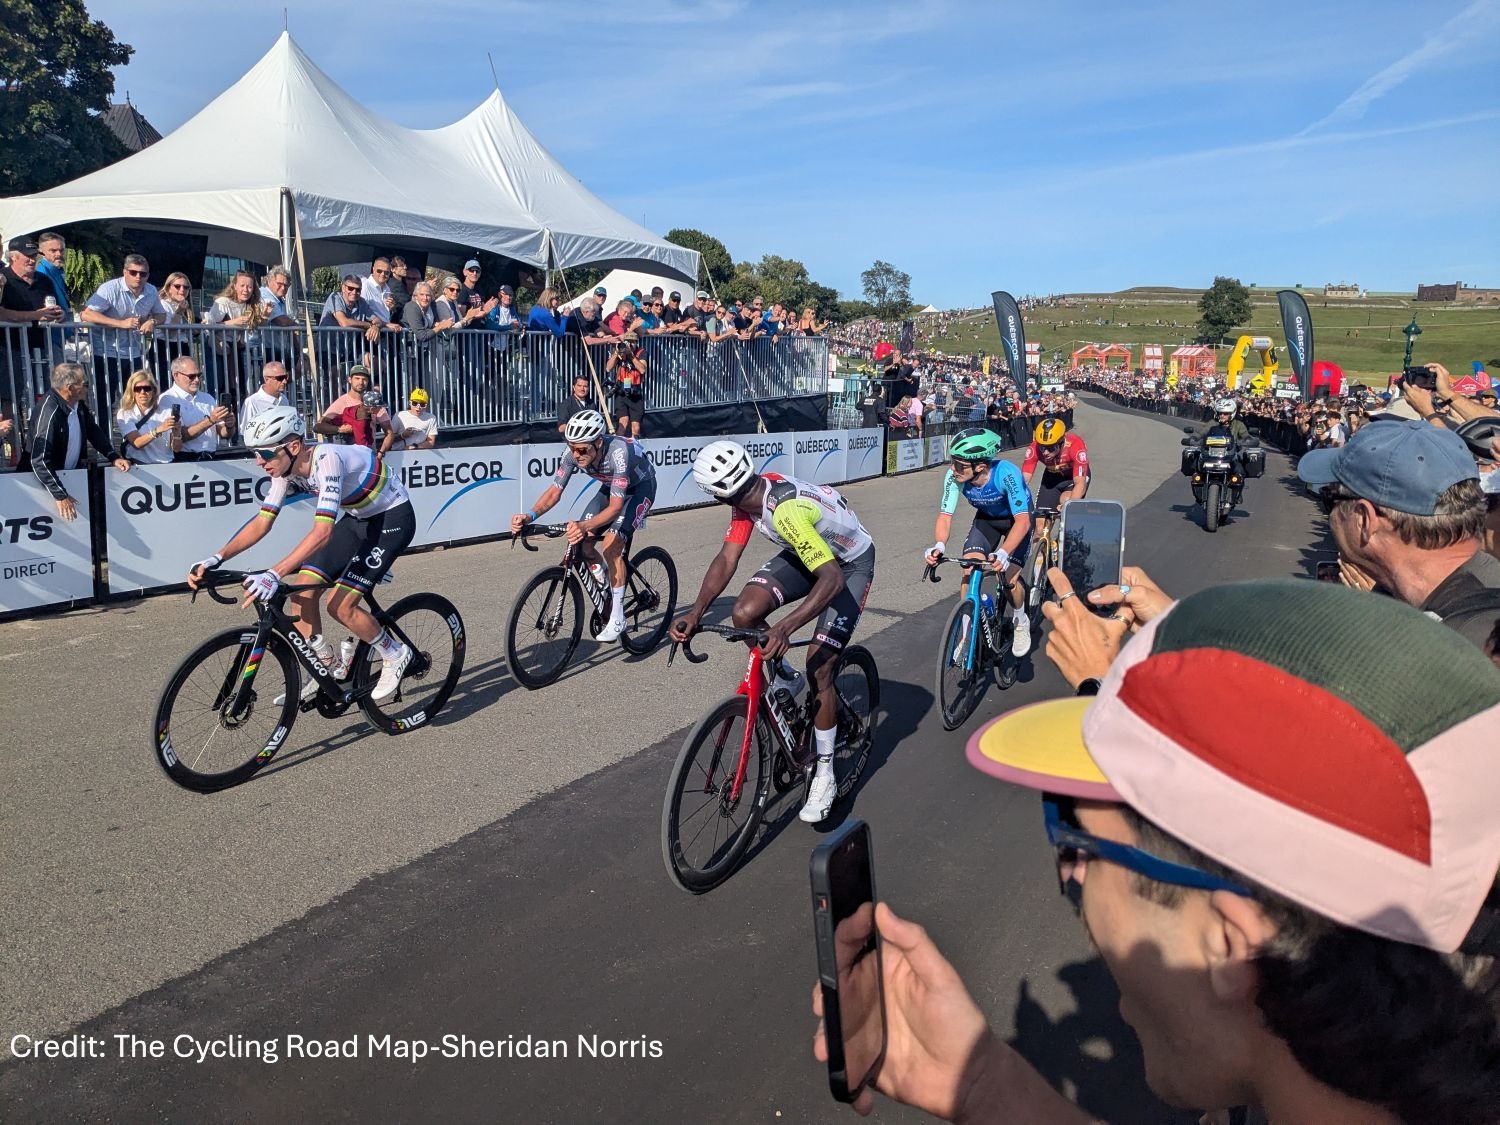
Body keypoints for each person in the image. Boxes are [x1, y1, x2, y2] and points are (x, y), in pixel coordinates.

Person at [671, 440, 876, 824]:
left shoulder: (785, 514)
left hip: (848, 566)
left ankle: (826, 772)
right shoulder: (748, 496)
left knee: (820, 667)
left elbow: (830, 579)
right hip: (809, 549)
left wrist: (784, 627)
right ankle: (787, 679)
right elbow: (727, 558)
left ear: (714, 494)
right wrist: (696, 613)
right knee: (745, 614)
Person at [188, 406, 415, 702]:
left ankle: (394, 653)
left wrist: (274, 573)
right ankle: (324, 668)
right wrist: (215, 559)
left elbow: (322, 532)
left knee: (340, 606)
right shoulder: (285, 471)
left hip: (391, 518)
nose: (260, 462)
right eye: (256, 454)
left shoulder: (327, 460)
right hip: (358, 519)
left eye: (266, 454)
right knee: (301, 596)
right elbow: (262, 523)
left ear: (293, 446)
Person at [1298, 418, 1500, 649]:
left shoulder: (1453, 647)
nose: (1330, 516)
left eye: (1329, 500)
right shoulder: (1469, 598)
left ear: (1365, 520)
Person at [510, 409, 656, 643]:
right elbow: (554, 492)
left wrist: (583, 524)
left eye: (582, 449)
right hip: (611, 488)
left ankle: (618, 618)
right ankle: (611, 584)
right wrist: (529, 516)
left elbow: (616, 507)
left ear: (598, 442)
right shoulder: (572, 454)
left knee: (611, 545)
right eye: (571, 447)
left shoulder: (618, 453)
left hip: (640, 489)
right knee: (584, 545)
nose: (576, 454)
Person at [924, 427, 1035, 658]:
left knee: (1009, 578)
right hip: (987, 521)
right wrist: (939, 545)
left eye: (960, 465)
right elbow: (945, 515)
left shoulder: (1006, 474)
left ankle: (1020, 618)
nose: (953, 469)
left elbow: (1023, 522)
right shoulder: (955, 477)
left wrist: (1004, 553)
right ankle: (966, 634)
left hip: (1018, 520)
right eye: (953, 462)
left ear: (980, 466)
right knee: (969, 568)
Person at [30, 362, 131, 520]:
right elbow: (39, 460)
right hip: (45, 486)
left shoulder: (77, 404)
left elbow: (92, 430)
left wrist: (113, 456)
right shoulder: (50, 412)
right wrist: (60, 495)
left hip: (71, 477)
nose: (88, 388)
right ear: (69, 388)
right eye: (85, 384)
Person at [80, 254, 168, 413]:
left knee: (138, 395)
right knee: (105, 398)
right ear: (125, 272)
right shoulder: (109, 288)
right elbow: (86, 314)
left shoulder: (151, 290)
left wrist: (152, 321)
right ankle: (104, 435)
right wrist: (120, 323)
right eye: (133, 272)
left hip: (134, 351)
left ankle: (135, 434)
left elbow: (161, 315)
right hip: (106, 352)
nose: (138, 277)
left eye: (143, 274)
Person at [1021, 416, 1090, 541]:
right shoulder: (1034, 448)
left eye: (1051, 448)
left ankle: (1064, 541)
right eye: (1042, 447)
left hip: (1073, 478)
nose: (1045, 452)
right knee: (1039, 528)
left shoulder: (1075, 445)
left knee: (1066, 500)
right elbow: (1024, 478)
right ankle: (1040, 557)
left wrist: (1070, 505)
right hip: (1052, 478)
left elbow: (1080, 483)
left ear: (1061, 442)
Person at [314, 365, 393, 449]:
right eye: (357, 378)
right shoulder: (341, 402)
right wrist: (339, 429)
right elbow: (318, 426)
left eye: (364, 379)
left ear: (368, 381)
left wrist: (380, 453)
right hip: (346, 455)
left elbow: (389, 433)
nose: (361, 382)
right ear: (349, 380)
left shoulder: (374, 401)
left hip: (368, 455)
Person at [115, 369, 181, 465]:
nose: (142, 392)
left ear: (153, 390)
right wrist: (158, 430)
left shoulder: (166, 411)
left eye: (147, 388)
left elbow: (177, 449)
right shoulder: (125, 413)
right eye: (137, 389)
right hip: (140, 464)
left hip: (167, 465)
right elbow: (137, 443)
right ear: (132, 391)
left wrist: (177, 434)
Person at [607, 338, 647, 439]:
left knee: (635, 427)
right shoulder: (620, 352)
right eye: (628, 342)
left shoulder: (641, 352)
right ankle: (618, 447)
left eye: (633, 342)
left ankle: (635, 449)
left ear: (636, 342)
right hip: (621, 391)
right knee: (622, 423)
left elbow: (642, 370)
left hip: (635, 392)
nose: (630, 344)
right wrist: (616, 353)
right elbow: (608, 368)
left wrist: (631, 356)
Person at [239, 361, 291, 432]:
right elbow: (244, 432)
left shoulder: (284, 399)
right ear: (267, 379)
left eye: (286, 377)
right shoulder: (252, 402)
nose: (284, 381)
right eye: (280, 378)